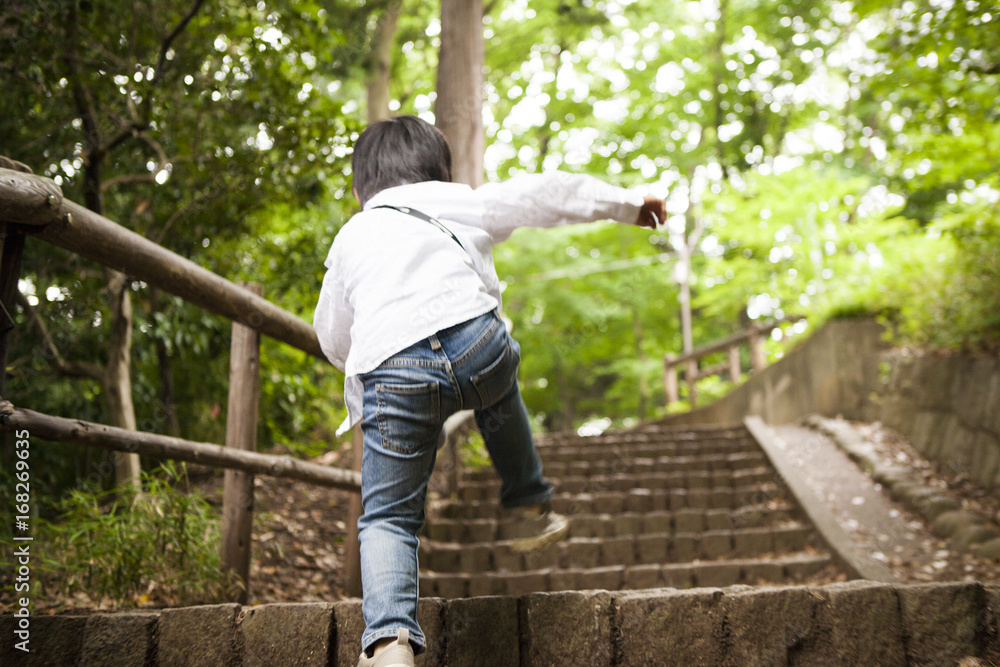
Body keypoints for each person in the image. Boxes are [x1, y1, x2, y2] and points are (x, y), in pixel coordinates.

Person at [313, 115, 666, 667]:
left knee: (388, 517)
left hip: (392, 368)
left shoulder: (352, 234)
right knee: (500, 393)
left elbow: (332, 335)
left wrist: (380, 364)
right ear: (438, 171)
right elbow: (545, 195)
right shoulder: (457, 200)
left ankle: (388, 644)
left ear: (361, 188)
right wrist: (626, 203)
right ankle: (528, 499)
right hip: (477, 342)